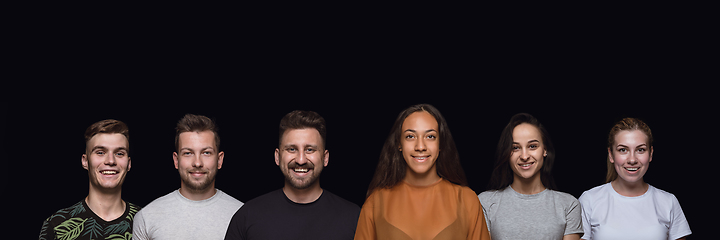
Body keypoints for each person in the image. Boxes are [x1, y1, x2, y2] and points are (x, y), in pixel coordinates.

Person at [355, 104, 490, 240]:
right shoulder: (376, 202)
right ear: (399, 143)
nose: (420, 147)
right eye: (410, 136)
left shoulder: (467, 201)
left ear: (441, 144)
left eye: (430, 136)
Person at [224, 110, 360, 240]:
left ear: (325, 158)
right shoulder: (248, 216)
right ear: (277, 157)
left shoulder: (354, 218)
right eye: (292, 149)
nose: (301, 160)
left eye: (310, 149)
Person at [133, 114, 243, 239]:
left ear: (219, 160)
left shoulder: (242, 215)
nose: (197, 163)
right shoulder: (147, 216)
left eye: (206, 153)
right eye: (188, 153)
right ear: (176, 160)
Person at [578, 118, 691, 240]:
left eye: (640, 150)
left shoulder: (668, 202)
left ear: (651, 154)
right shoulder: (589, 200)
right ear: (611, 155)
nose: (632, 160)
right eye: (623, 150)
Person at [478, 113, 582, 240]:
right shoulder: (485, 202)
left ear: (545, 150)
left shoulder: (569, 205)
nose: (524, 156)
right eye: (515, 148)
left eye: (532, 146)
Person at [39, 119, 140, 240]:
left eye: (119, 153)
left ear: (128, 164)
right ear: (85, 161)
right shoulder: (56, 225)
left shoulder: (146, 220)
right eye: (100, 152)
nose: (111, 161)